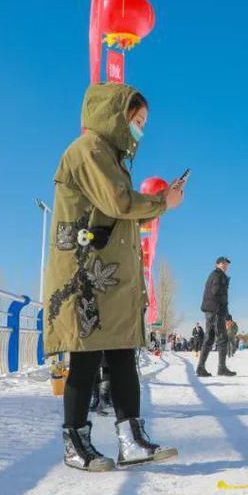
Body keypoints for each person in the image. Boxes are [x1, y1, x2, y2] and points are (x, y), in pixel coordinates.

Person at [44, 82, 183, 472]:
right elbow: (118, 202)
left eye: (143, 123)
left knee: (123, 354)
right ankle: (75, 441)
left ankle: (131, 439)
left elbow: (122, 213)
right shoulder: (88, 151)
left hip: (108, 277)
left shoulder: (113, 158)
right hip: (84, 276)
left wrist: (158, 204)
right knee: (85, 358)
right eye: (135, 119)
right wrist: (162, 202)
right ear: (114, 114)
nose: (139, 128)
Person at [197, 257, 236, 377]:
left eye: (226, 264)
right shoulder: (218, 275)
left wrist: (227, 312)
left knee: (209, 338)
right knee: (222, 338)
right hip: (216, 310)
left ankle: (201, 367)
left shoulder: (215, 275)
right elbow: (217, 293)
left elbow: (219, 295)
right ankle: (221, 368)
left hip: (211, 310)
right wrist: (224, 312)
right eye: (222, 263)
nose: (225, 266)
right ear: (217, 264)